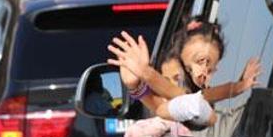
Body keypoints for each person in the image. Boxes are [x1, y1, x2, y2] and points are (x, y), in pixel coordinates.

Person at [109, 19, 262, 127]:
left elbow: (191, 104)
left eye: (178, 78)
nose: (202, 72)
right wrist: (134, 85)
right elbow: (165, 108)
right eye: (165, 81)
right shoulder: (170, 119)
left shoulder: (212, 114)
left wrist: (146, 75)